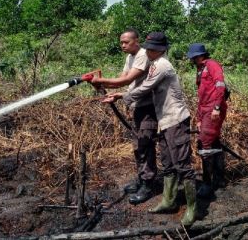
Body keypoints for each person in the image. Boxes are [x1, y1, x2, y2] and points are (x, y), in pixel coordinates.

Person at [103, 32, 197, 226]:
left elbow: (144, 88)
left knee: (182, 166)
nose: (148, 51)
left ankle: (193, 209)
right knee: (168, 163)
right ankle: (168, 201)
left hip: (175, 119)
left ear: (161, 49)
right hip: (164, 120)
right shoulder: (154, 64)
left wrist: (120, 96)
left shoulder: (162, 65)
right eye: (148, 47)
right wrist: (117, 93)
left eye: (152, 48)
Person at [90, 29, 157, 205]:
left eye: (126, 42)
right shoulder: (130, 57)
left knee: (145, 144)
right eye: (121, 42)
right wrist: (108, 89)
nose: (122, 45)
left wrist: (101, 81)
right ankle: (142, 179)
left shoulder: (143, 55)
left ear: (137, 41)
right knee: (137, 145)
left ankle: (148, 185)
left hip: (148, 107)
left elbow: (126, 81)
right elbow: (123, 77)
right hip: (137, 106)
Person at [186, 43, 227, 198]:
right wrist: (199, 117)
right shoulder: (200, 69)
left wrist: (216, 107)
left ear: (199, 55)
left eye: (193, 57)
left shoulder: (212, 65)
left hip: (213, 108)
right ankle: (219, 180)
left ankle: (207, 184)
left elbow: (220, 85)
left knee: (204, 143)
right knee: (214, 142)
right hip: (205, 109)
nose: (192, 60)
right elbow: (201, 96)